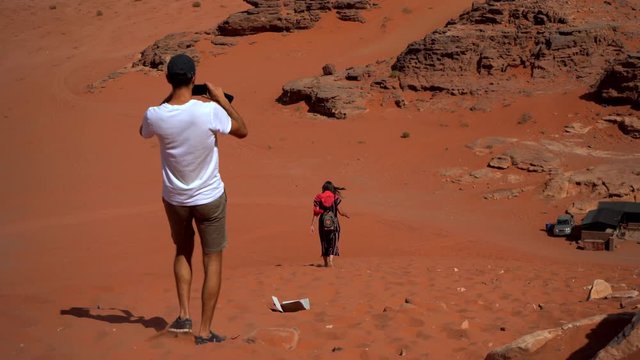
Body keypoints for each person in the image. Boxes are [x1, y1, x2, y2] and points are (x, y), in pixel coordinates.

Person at [139, 53, 248, 345]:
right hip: (209, 196)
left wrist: (170, 96)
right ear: (194, 78)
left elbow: (144, 131)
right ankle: (204, 330)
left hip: (175, 199)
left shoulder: (154, 114)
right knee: (212, 260)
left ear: (167, 78)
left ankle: (184, 314)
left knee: (182, 250)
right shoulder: (208, 111)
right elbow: (242, 130)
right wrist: (222, 99)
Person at [310, 181, 349, 267]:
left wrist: (312, 225)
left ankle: (325, 263)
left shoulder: (318, 198)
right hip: (334, 224)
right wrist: (346, 214)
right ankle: (331, 260)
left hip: (322, 224)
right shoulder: (335, 198)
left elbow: (316, 213)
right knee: (333, 241)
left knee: (324, 242)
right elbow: (341, 212)